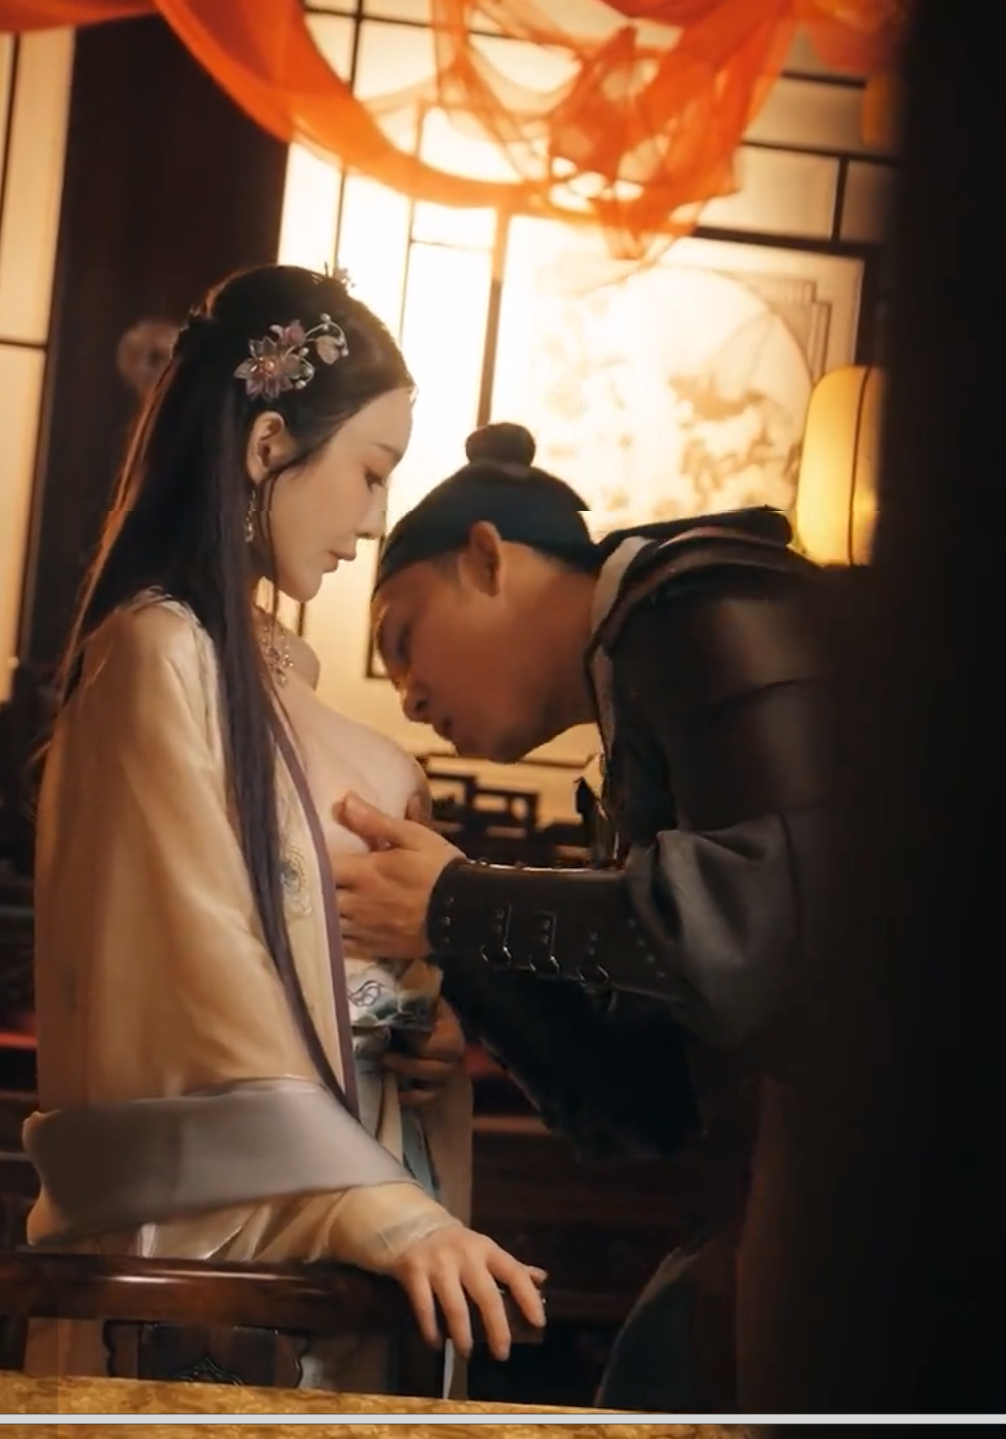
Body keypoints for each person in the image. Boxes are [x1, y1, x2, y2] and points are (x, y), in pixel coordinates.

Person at [22, 266, 546, 1390]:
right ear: (268, 446)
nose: (373, 518)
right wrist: (380, 1205)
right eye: (370, 471)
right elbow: (196, 969)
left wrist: (422, 1034)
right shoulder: (156, 651)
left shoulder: (257, 680)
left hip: (337, 1223)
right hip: (229, 1248)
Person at [328, 422, 826, 1410]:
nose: (411, 699)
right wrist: (452, 937)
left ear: (487, 558)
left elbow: (782, 920)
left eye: (403, 640)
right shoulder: (634, 684)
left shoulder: (701, 602)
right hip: (765, 1205)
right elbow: (646, 1103)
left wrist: (458, 900)